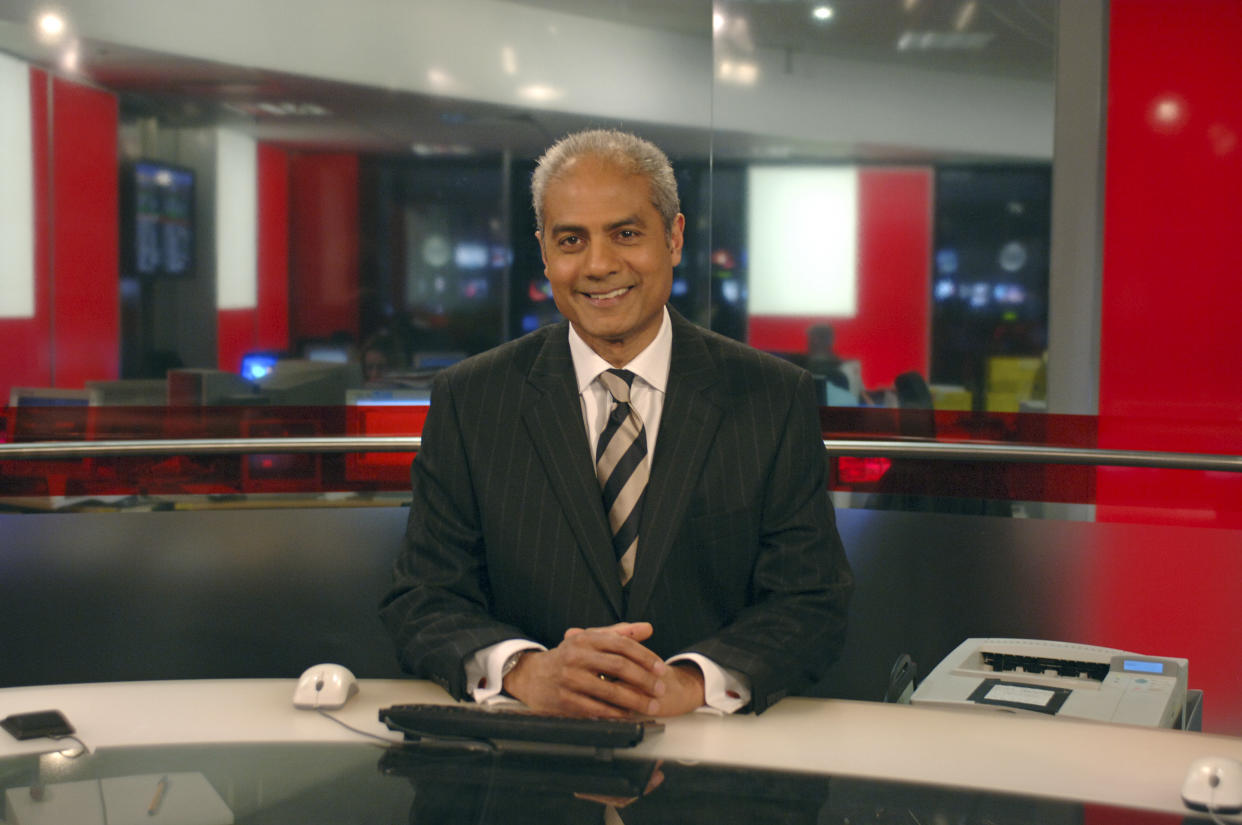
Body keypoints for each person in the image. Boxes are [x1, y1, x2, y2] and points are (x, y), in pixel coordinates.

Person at [380, 129, 853, 718]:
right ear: (545, 253)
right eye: (571, 239)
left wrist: (685, 684)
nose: (600, 265)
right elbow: (423, 596)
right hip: (528, 760)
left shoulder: (771, 397)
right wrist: (528, 671)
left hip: (712, 762)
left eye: (626, 234)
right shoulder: (472, 399)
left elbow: (810, 601)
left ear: (674, 238)